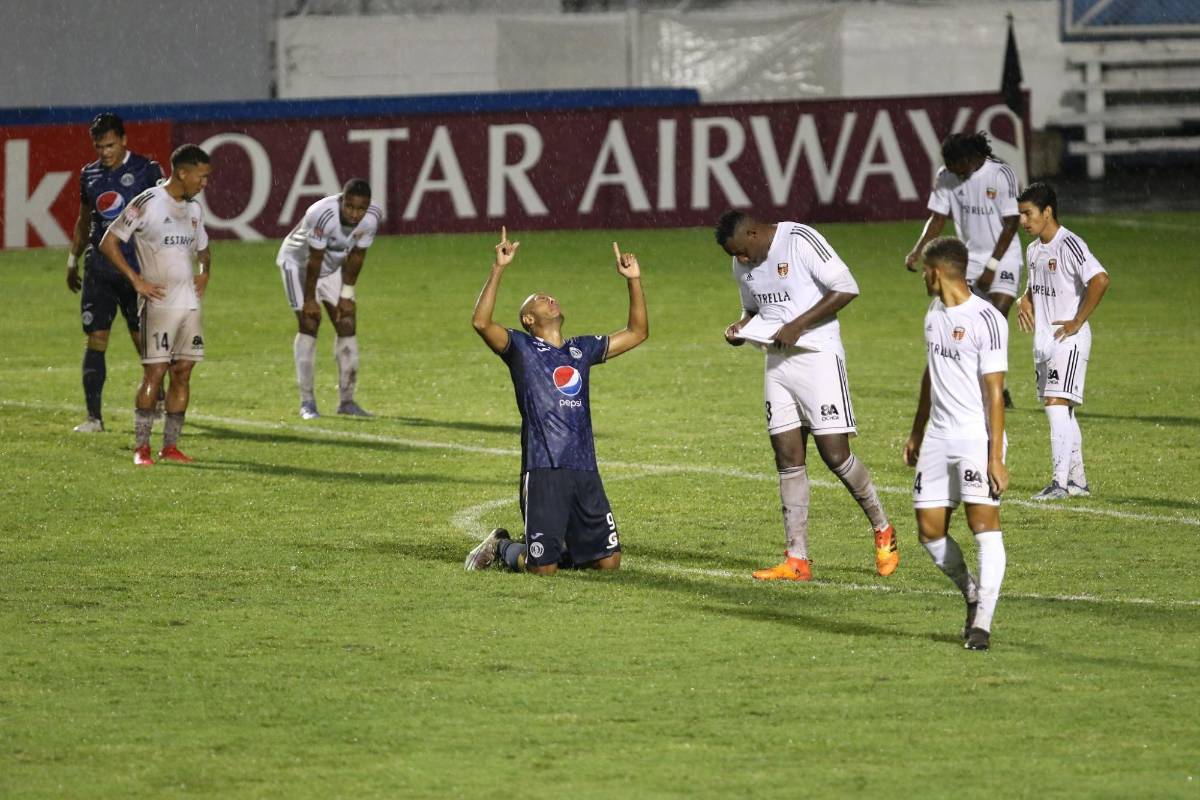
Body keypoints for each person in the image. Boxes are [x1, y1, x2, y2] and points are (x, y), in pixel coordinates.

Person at [714, 211, 898, 582]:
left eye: (743, 252)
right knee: (787, 456)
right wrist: (739, 328)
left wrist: (799, 324)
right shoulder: (740, 263)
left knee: (834, 454)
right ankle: (797, 558)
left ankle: (883, 528)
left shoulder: (799, 240)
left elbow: (846, 287)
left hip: (818, 357)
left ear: (752, 231)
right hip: (778, 362)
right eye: (736, 256)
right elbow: (753, 310)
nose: (743, 261)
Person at [464, 228, 648, 575]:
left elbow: (637, 332)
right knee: (541, 570)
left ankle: (557, 546)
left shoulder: (581, 349)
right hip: (544, 465)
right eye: (538, 299)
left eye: (550, 296)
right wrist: (498, 268)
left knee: (609, 563)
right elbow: (481, 321)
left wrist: (633, 281)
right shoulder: (521, 348)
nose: (549, 298)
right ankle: (502, 545)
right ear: (528, 319)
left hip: (583, 465)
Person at [904, 236, 1009, 651]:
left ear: (935, 271)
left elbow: (995, 393)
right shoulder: (933, 313)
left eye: (925, 273)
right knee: (929, 533)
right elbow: (930, 374)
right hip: (937, 437)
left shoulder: (987, 319)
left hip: (973, 436)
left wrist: (995, 456)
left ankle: (982, 623)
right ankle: (970, 592)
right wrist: (917, 430)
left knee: (983, 527)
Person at [98, 144, 212, 466]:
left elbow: (203, 249)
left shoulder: (194, 211)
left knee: (184, 372)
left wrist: (204, 273)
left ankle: (170, 446)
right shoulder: (147, 202)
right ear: (183, 173)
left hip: (188, 303)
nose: (204, 184)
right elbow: (109, 241)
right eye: (201, 177)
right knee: (155, 372)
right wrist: (137, 281)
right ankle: (142, 447)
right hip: (158, 303)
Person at [905, 132, 1022, 407]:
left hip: (1003, 257)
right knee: (966, 324)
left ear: (971, 158)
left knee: (996, 319)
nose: (954, 171)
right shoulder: (947, 175)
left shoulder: (1001, 174)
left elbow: (1011, 223)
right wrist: (918, 249)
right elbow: (937, 218)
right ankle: (982, 387)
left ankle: (996, 387)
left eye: (957, 165)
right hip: (969, 259)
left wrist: (993, 265)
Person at [67, 113, 164, 432]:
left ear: (123, 140)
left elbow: (163, 217)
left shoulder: (146, 171)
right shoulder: (89, 175)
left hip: (137, 268)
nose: (104, 152)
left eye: (109, 145)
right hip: (100, 269)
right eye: (99, 147)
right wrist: (73, 257)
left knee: (141, 339)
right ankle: (94, 418)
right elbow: (84, 219)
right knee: (96, 338)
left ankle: (159, 400)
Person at [1016, 182, 1110, 500]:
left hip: (1068, 339)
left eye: (1028, 214)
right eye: (1020, 215)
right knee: (1062, 411)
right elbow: (1036, 284)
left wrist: (1077, 320)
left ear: (1047, 212)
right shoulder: (1033, 250)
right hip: (1045, 342)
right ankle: (1077, 481)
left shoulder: (1069, 244)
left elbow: (1100, 279)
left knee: (1056, 404)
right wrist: (1024, 299)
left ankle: (1058, 484)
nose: (1023, 221)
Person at [276, 180, 381, 419]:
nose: (355, 214)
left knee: (347, 323)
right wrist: (310, 299)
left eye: (360, 209)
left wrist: (347, 295)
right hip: (298, 266)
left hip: (330, 268)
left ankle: (347, 401)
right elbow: (314, 258)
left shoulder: (373, 217)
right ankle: (308, 403)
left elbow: (357, 255)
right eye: (350, 207)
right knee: (309, 323)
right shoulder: (321, 214)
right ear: (341, 200)